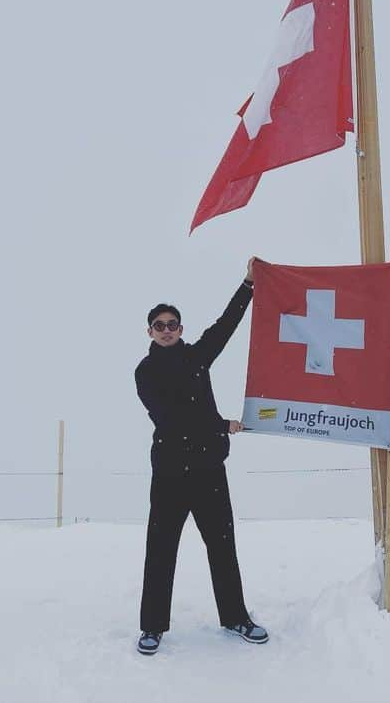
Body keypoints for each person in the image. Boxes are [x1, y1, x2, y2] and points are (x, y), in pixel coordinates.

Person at [133, 256, 269, 656]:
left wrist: (248, 285)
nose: (166, 330)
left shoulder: (197, 356)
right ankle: (152, 627)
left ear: (181, 329)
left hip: (209, 469)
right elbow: (170, 419)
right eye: (160, 325)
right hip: (171, 472)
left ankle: (236, 617)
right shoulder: (145, 373)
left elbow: (225, 326)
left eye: (172, 324)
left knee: (222, 545)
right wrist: (221, 424)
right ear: (150, 331)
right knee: (161, 548)